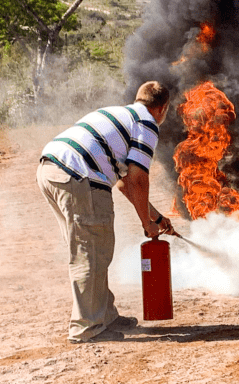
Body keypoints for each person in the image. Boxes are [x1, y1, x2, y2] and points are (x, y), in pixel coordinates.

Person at [36, 81, 177, 343]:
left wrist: (155, 217)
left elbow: (124, 183)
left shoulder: (120, 114)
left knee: (94, 248)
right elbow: (138, 179)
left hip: (52, 170)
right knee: (90, 253)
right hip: (79, 175)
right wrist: (147, 223)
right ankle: (86, 327)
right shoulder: (146, 123)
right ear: (162, 108)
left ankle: (105, 316)